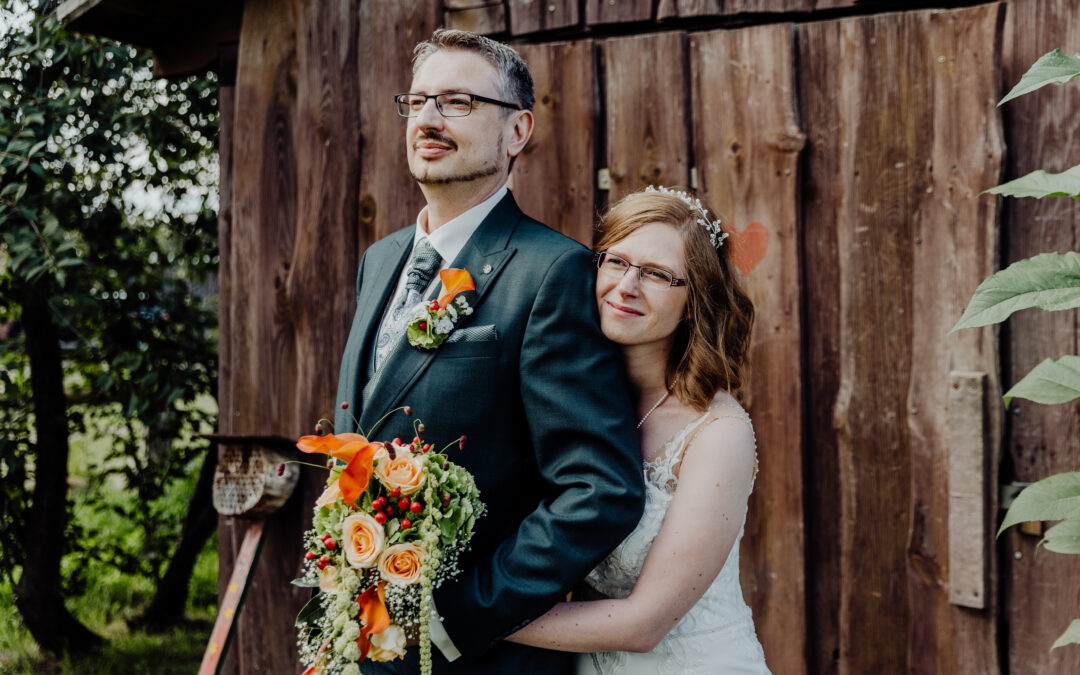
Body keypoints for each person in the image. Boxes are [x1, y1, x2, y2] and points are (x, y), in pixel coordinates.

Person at [332, 29, 645, 674]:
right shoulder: (380, 259)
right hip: (363, 636)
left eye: (457, 102)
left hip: (478, 655)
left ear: (517, 132)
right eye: (417, 101)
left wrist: (459, 617)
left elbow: (599, 488)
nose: (427, 118)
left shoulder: (553, 272)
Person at [506, 186, 768, 674]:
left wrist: (464, 615)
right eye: (616, 261)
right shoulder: (567, 406)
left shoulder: (718, 433)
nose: (626, 286)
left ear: (694, 302)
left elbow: (644, 624)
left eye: (657, 275)